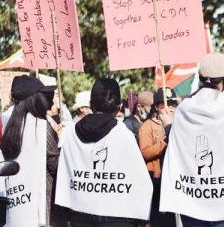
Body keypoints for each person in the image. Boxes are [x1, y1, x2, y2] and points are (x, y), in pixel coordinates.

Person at [160, 53, 224, 226]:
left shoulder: (184, 109)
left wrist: (169, 127)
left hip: (193, 199)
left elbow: (178, 147)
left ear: (202, 77)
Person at [55, 78, 153, 226]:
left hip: (80, 216)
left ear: (90, 105)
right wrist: (143, 218)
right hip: (117, 217)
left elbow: (64, 176)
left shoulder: (72, 133)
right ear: (119, 106)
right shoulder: (124, 134)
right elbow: (140, 180)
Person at [1, 75, 66, 226]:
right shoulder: (41, 127)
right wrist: (59, 142)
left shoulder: (9, 124)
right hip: (41, 210)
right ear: (34, 98)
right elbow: (56, 166)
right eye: (42, 95)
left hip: (15, 209)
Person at [139, 87, 178, 226]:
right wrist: (165, 142)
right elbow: (145, 152)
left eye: (172, 104)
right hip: (156, 181)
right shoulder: (147, 126)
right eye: (164, 104)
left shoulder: (179, 124)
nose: (170, 108)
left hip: (174, 181)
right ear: (156, 106)